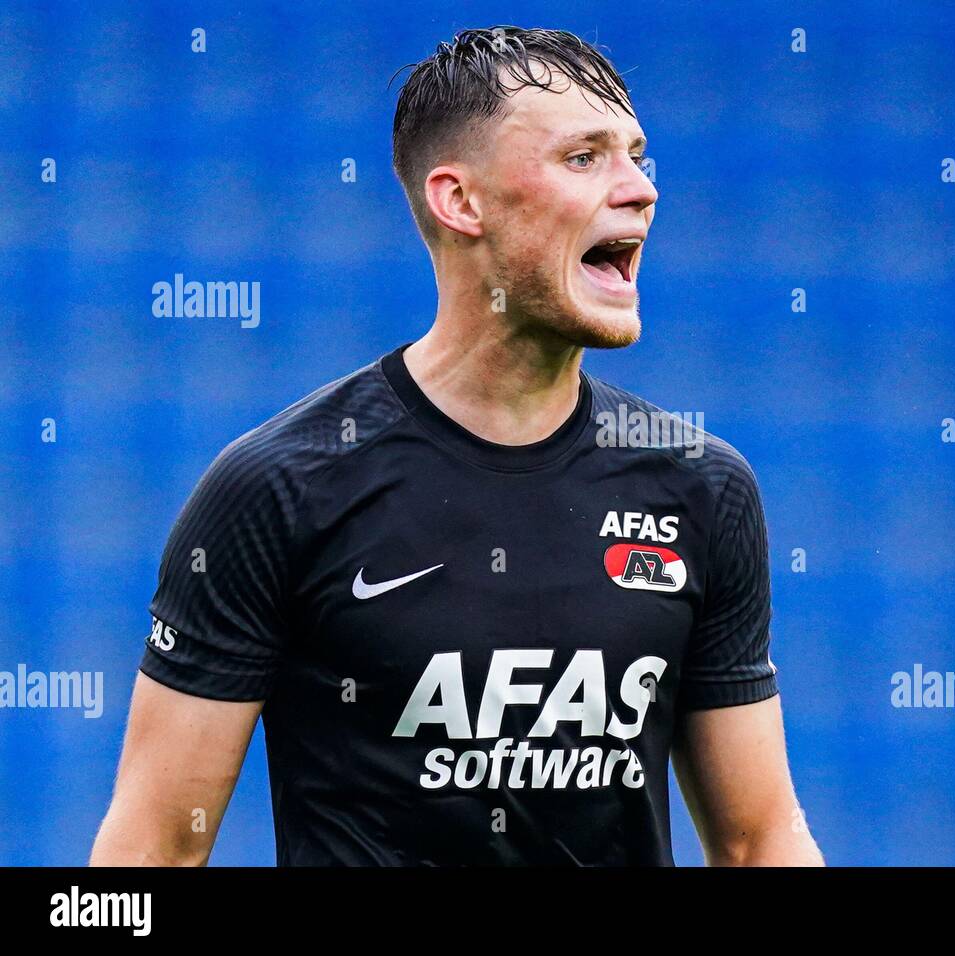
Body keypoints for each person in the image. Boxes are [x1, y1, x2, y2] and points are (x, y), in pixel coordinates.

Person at [91, 25, 822, 866]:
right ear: (459, 201)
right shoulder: (277, 489)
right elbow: (152, 851)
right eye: (584, 157)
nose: (639, 189)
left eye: (637, 155)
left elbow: (761, 839)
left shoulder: (702, 488)